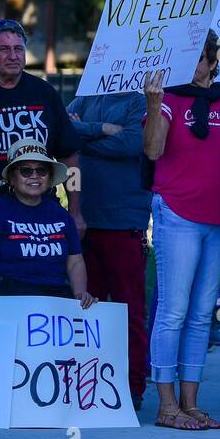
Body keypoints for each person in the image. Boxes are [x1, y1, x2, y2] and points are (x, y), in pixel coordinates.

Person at [143, 31, 220, 431]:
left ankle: (190, 403)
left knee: (203, 314)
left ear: (211, 59)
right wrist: (153, 105)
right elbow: (152, 151)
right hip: (177, 213)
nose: (193, 64)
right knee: (173, 310)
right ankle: (166, 405)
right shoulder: (168, 98)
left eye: (199, 56)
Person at [0, 18, 83, 270]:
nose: (12, 56)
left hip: (39, 217)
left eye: (18, 49)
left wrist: (75, 210)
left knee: (41, 286)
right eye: (4, 49)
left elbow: (69, 156)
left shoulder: (44, 93)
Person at [65, 89, 151, 410]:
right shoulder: (86, 97)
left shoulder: (140, 101)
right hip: (85, 221)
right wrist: (101, 129)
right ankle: (89, 382)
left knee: (130, 311)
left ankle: (133, 387)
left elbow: (133, 143)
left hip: (125, 221)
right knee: (88, 308)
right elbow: (60, 127)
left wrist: (82, 134)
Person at [0, 141, 96, 320]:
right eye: (26, 170)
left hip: (55, 298)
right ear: (12, 177)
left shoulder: (60, 214)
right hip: (9, 295)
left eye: (41, 170)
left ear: (49, 177)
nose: (35, 176)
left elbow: (75, 261)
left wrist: (80, 295)